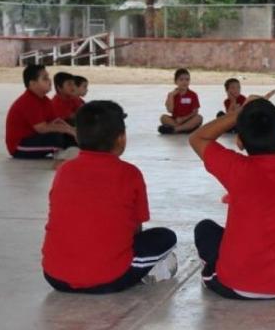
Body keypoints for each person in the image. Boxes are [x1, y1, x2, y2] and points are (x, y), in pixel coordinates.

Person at [42, 101, 178, 293]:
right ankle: (144, 272)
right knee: (166, 237)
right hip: (109, 278)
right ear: (121, 139)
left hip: (55, 276)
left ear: (78, 138)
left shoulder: (64, 170)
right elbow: (136, 227)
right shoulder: (130, 173)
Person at [189, 92, 275, 299]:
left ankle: (217, 267)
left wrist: (240, 112)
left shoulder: (235, 168)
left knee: (205, 229)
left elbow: (197, 138)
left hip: (233, 285)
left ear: (238, 141)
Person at [5, 64, 77, 159]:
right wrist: (68, 130)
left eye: (48, 77)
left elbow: (57, 121)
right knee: (56, 138)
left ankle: (73, 149)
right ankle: (64, 152)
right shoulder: (28, 101)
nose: (50, 81)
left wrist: (72, 130)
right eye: (45, 78)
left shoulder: (45, 100)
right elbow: (42, 128)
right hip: (20, 147)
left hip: (36, 138)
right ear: (33, 84)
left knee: (66, 132)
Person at [158, 68, 203, 134]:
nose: (184, 82)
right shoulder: (171, 95)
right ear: (176, 82)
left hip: (189, 120)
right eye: (181, 80)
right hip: (176, 120)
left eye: (187, 80)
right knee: (163, 117)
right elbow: (170, 110)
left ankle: (176, 129)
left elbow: (195, 112)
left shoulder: (193, 94)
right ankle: (186, 129)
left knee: (199, 118)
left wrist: (184, 119)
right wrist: (171, 96)